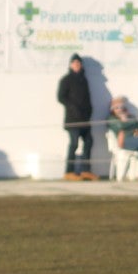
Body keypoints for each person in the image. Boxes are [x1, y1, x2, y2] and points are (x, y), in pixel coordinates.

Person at [57, 53, 95, 181]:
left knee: (89, 142)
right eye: (75, 63)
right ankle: (69, 171)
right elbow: (61, 97)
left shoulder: (84, 79)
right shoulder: (66, 79)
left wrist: (90, 111)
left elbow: (88, 98)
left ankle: (85, 170)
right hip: (73, 120)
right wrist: (73, 107)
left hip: (85, 119)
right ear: (70, 65)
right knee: (73, 144)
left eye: (79, 63)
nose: (77, 65)